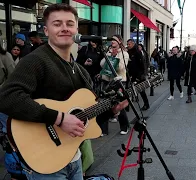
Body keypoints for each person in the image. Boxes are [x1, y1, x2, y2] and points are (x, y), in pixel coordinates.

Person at [0, 4, 128, 179]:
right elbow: (7, 97)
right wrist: (59, 118)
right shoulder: (36, 61)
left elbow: (87, 116)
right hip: (44, 161)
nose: (64, 28)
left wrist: (112, 110)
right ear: (46, 30)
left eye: (69, 23)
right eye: (57, 23)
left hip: (72, 157)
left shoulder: (81, 71)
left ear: (76, 29)